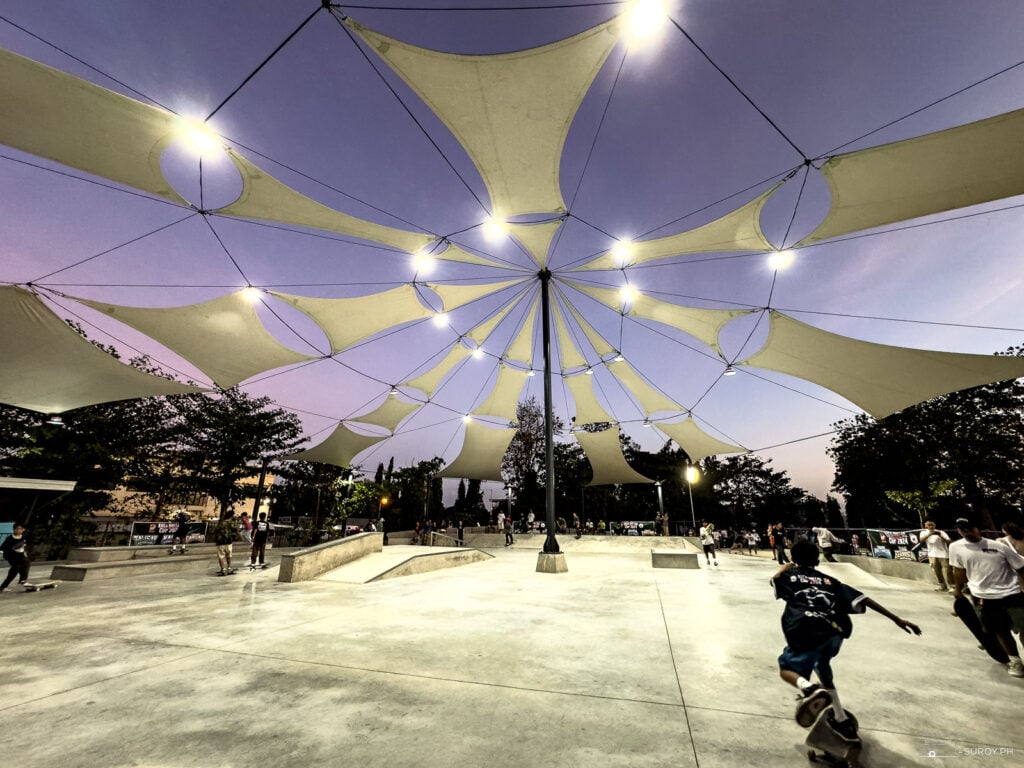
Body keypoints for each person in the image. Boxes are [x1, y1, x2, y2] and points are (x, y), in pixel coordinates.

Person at [772, 539, 921, 741]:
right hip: (835, 631)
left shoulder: (789, 576)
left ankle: (809, 689)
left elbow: (775, 578)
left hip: (804, 628)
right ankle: (840, 719)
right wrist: (896, 619)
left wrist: (789, 564)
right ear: (816, 559)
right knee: (822, 666)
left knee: (787, 668)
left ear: (795, 558)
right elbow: (863, 599)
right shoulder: (830, 581)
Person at [949, 516, 1024, 677]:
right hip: (983, 596)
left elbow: (1020, 567)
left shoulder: (998, 546)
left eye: (970, 528)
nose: (966, 532)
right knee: (1000, 630)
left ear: (978, 529)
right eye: (962, 530)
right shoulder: (955, 547)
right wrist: (958, 589)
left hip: (1011, 593)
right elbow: (958, 570)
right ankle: (1015, 661)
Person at [919, 518, 953, 591]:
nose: (931, 526)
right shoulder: (924, 532)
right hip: (932, 554)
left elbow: (949, 541)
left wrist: (940, 536)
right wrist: (929, 534)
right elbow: (921, 540)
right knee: (936, 571)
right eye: (929, 525)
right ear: (925, 525)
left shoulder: (941, 532)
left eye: (932, 525)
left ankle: (952, 587)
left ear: (935, 525)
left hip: (943, 554)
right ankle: (942, 585)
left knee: (947, 572)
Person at [0, 523, 31, 592]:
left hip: (21, 556)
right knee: (16, 568)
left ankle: (22, 580)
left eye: (20, 529)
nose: (18, 530)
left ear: (23, 530)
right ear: (14, 529)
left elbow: (25, 546)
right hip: (11, 557)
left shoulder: (24, 537)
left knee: (26, 564)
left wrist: (25, 551)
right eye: (16, 529)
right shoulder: (10, 538)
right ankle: (22, 580)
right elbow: (2, 547)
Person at [213, 511, 238, 576]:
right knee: (229, 555)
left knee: (221, 556)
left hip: (220, 541)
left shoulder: (222, 522)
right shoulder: (232, 523)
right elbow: (235, 530)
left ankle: (223, 569)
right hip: (228, 541)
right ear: (232, 516)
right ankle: (229, 568)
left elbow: (216, 530)